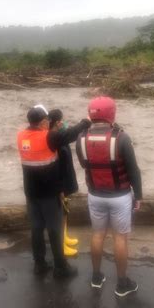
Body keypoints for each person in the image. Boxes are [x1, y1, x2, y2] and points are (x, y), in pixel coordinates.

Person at [76, 97, 142, 297]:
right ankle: (122, 284)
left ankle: (97, 277)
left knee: (97, 235)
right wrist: (138, 195)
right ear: (111, 114)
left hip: (95, 195)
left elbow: (83, 164)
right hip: (119, 197)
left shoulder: (81, 137)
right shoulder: (121, 137)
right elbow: (133, 170)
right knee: (120, 238)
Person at [17, 104, 91, 278]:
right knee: (55, 229)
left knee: (36, 228)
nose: (48, 123)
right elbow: (71, 134)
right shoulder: (48, 137)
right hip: (49, 194)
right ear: (43, 121)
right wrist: (86, 122)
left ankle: (40, 264)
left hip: (31, 192)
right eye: (47, 120)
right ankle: (61, 267)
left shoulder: (21, 136)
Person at [48, 109, 79, 257]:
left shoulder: (60, 136)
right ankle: (61, 245)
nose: (63, 123)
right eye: (61, 121)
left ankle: (65, 237)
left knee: (65, 212)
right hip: (60, 183)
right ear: (56, 123)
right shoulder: (55, 139)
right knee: (60, 213)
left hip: (66, 179)